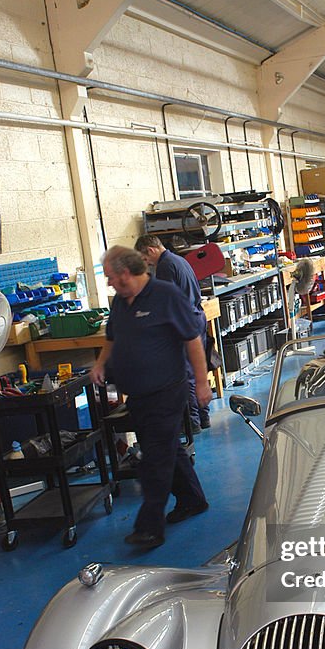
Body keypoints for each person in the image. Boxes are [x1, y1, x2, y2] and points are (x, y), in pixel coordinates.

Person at [90, 246, 211, 550]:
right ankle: (193, 499)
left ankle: (149, 527)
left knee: (155, 459)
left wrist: (201, 382)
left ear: (125, 274)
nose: (107, 283)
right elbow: (112, 337)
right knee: (166, 447)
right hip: (139, 394)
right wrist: (100, 363)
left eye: (109, 277)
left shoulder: (166, 295)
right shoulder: (120, 301)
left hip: (168, 390)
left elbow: (192, 340)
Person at [135, 234, 210, 431]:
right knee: (198, 369)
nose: (147, 263)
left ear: (151, 250)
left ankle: (193, 422)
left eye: (145, 259)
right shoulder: (179, 260)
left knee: (188, 373)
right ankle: (204, 415)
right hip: (197, 316)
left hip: (185, 322)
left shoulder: (165, 265)